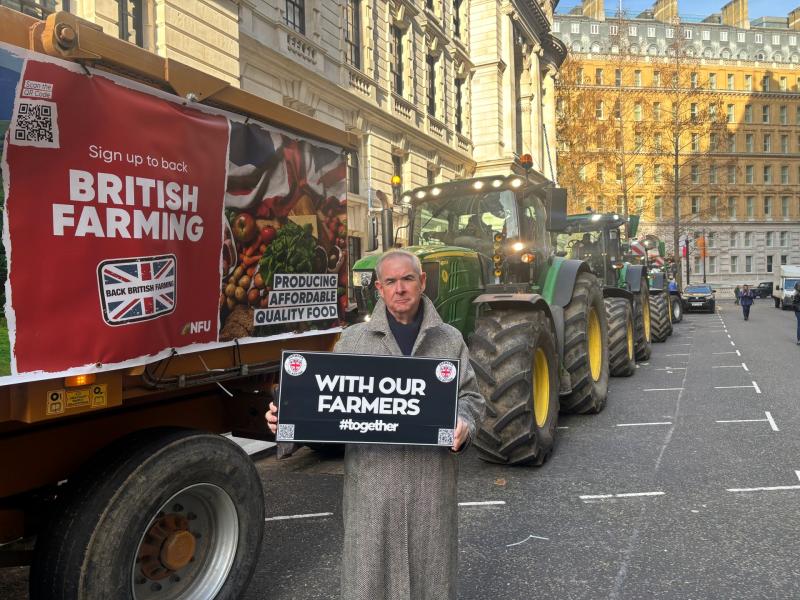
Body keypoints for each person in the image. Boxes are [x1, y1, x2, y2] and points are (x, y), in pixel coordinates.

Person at [266, 249, 485, 600]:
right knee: (368, 579)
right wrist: (287, 417)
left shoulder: (449, 339)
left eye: (408, 279)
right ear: (379, 289)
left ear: (422, 282)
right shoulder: (353, 340)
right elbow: (327, 402)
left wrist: (464, 422)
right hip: (371, 486)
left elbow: (471, 398)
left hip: (430, 484)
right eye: (391, 281)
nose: (400, 289)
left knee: (432, 577)